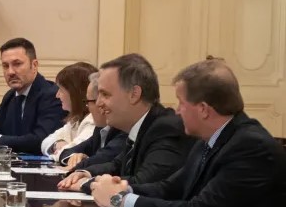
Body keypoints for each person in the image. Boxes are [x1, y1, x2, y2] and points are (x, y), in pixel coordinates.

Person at [91, 58, 286, 207]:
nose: (176, 111)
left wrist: (120, 200)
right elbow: (170, 188)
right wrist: (123, 189)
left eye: (181, 103)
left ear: (203, 109)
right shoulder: (209, 139)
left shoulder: (251, 146)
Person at [57, 53, 193, 193]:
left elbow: (145, 182)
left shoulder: (165, 129)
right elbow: (116, 165)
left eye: (105, 94)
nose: (98, 103)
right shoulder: (141, 126)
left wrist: (87, 184)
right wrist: (86, 173)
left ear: (134, 94)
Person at [0, 38, 66, 153]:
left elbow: (41, 140)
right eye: (5, 66)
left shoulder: (52, 95)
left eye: (17, 64)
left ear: (34, 65)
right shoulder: (10, 96)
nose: (10, 72)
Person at [58, 72, 126, 170]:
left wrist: (82, 161)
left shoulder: (123, 129)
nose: (99, 104)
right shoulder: (100, 129)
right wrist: (74, 158)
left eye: (88, 102)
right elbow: (66, 152)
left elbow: (103, 158)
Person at [39, 62, 97, 161]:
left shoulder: (92, 120)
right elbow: (45, 143)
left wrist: (62, 150)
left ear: (75, 93)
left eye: (61, 90)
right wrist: (57, 144)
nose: (57, 95)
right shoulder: (75, 120)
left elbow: (68, 154)